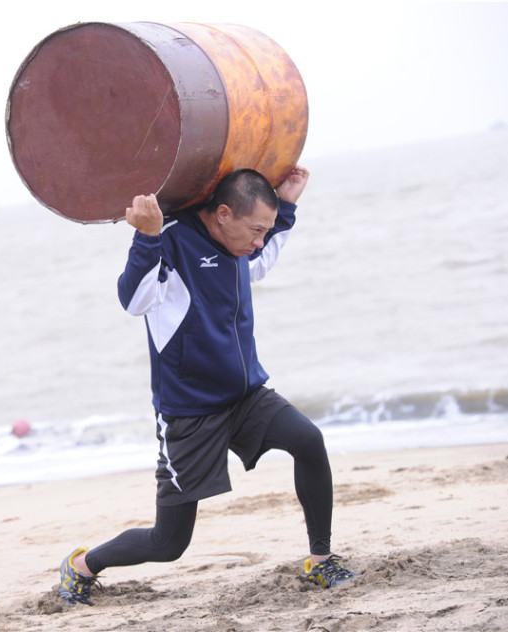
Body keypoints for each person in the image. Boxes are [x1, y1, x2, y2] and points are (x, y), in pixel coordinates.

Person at [58, 166, 358, 606]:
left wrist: (287, 206)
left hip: (245, 397)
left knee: (308, 441)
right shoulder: (174, 240)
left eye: (266, 231)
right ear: (223, 214)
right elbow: (135, 300)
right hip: (190, 412)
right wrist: (147, 236)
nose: (259, 242)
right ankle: (83, 564)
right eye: (256, 230)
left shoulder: (240, 246)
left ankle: (321, 559)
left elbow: (260, 262)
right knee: (168, 543)